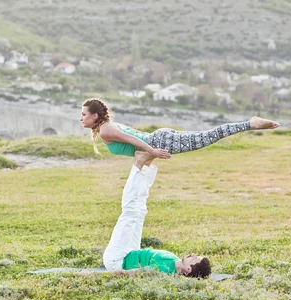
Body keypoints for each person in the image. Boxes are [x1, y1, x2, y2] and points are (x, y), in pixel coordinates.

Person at [103, 151, 211, 278]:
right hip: (131, 252)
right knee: (141, 210)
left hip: (117, 260)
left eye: (194, 259)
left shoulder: (162, 271)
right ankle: (147, 163)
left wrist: (91, 275)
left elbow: (130, 273)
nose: (192, 254)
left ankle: (138, 165)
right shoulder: (174, 260)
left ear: (187, 270)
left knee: (130, 212)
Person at [80, 98, 280, 157]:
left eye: (84, 114)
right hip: (159, 139)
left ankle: (250, 123)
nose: (81, 118)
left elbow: (134, 140)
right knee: (208, 136)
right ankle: (249, 124)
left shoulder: (106, 129)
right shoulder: (107, 127)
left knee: (210, 136)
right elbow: (135, 142)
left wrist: (154, 152)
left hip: (160, 142)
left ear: (95, 115)